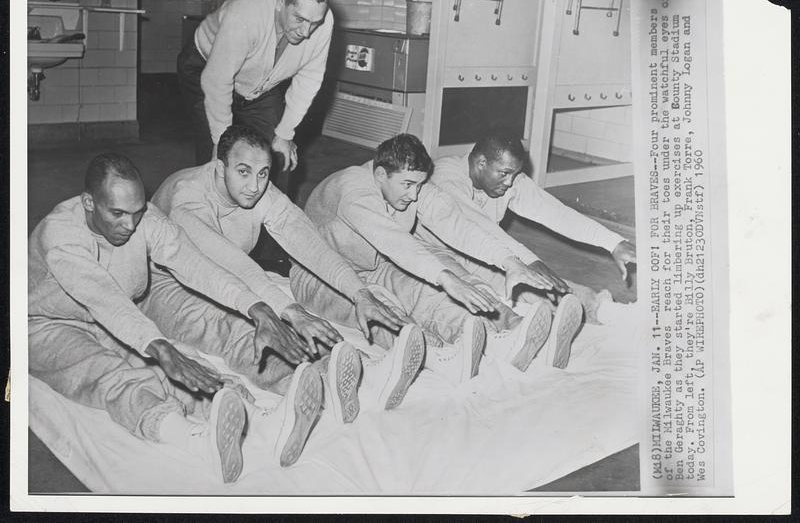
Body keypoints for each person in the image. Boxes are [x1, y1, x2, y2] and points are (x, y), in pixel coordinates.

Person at [28, 153, 325, 482]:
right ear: (88, 202)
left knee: (189, 366)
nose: (129, 225)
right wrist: (159, 346)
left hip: (120, 312)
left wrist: (256, 308)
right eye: (117, 213)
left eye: (137, 212)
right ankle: (193, 441)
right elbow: (102, 297)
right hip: (46, 325)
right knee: (112, 374)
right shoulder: (59, 234)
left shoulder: (145, 219)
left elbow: (195, 264)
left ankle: (260, 421)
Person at [149, 125, 425, 422]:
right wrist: (288, 310)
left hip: (231, 279)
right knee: (240, 327)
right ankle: (307, 386)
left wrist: (360, 293)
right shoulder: (186, 199)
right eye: (243, 172)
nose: (255, 186)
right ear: (219, 167)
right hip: (165, 285)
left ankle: (356, 370)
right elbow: (232, 265)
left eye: (263, 173)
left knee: (301, 319)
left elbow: (309, 243)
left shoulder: (257, 188)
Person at [290, 134, 586, 381]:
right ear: (380, 175)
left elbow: (455, 222)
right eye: (408, 185)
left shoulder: (409, 184)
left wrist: (509, 262)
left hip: (376, 264)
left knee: (429, 290)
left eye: (419, 185)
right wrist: (445, 279)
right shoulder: (352, 189)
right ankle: (437, 356)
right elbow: (393, 241)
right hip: (320, 275)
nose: (415, 195)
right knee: (382, 308)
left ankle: (506, 335)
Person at [426, 130, 638, 330]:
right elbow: (478, 226)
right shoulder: (444, 176)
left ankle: (603, 310)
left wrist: (612, 242)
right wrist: (526, 260)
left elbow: (554, 211)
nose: (509, 182)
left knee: (541, 285)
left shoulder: (506, 175)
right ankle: (516, 331)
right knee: (472, 298)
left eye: (514, 174)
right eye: (504, 174)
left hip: (489, 255)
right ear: (481, 163)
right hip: (436, 255)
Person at [177, 0, 333, 181]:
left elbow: (309, 78)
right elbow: (216, 80)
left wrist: (285, 133)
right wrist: (220, 140)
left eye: (314, 23)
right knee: (217, 159)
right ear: (280, 2)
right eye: (299, 19)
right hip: (205, 68)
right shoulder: (247, 12)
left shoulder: (323, 22)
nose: (306, 32)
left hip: (258, 82)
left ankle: (272, 213)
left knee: (279, 153)